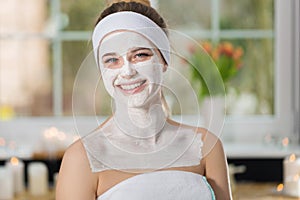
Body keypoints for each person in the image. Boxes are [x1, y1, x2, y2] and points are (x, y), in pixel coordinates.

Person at [56, 0, 232, 199]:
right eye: (112, 60)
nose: (128, 71)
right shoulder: (81, 159)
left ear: (164, 60)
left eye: (140, 55)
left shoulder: (206, 147)